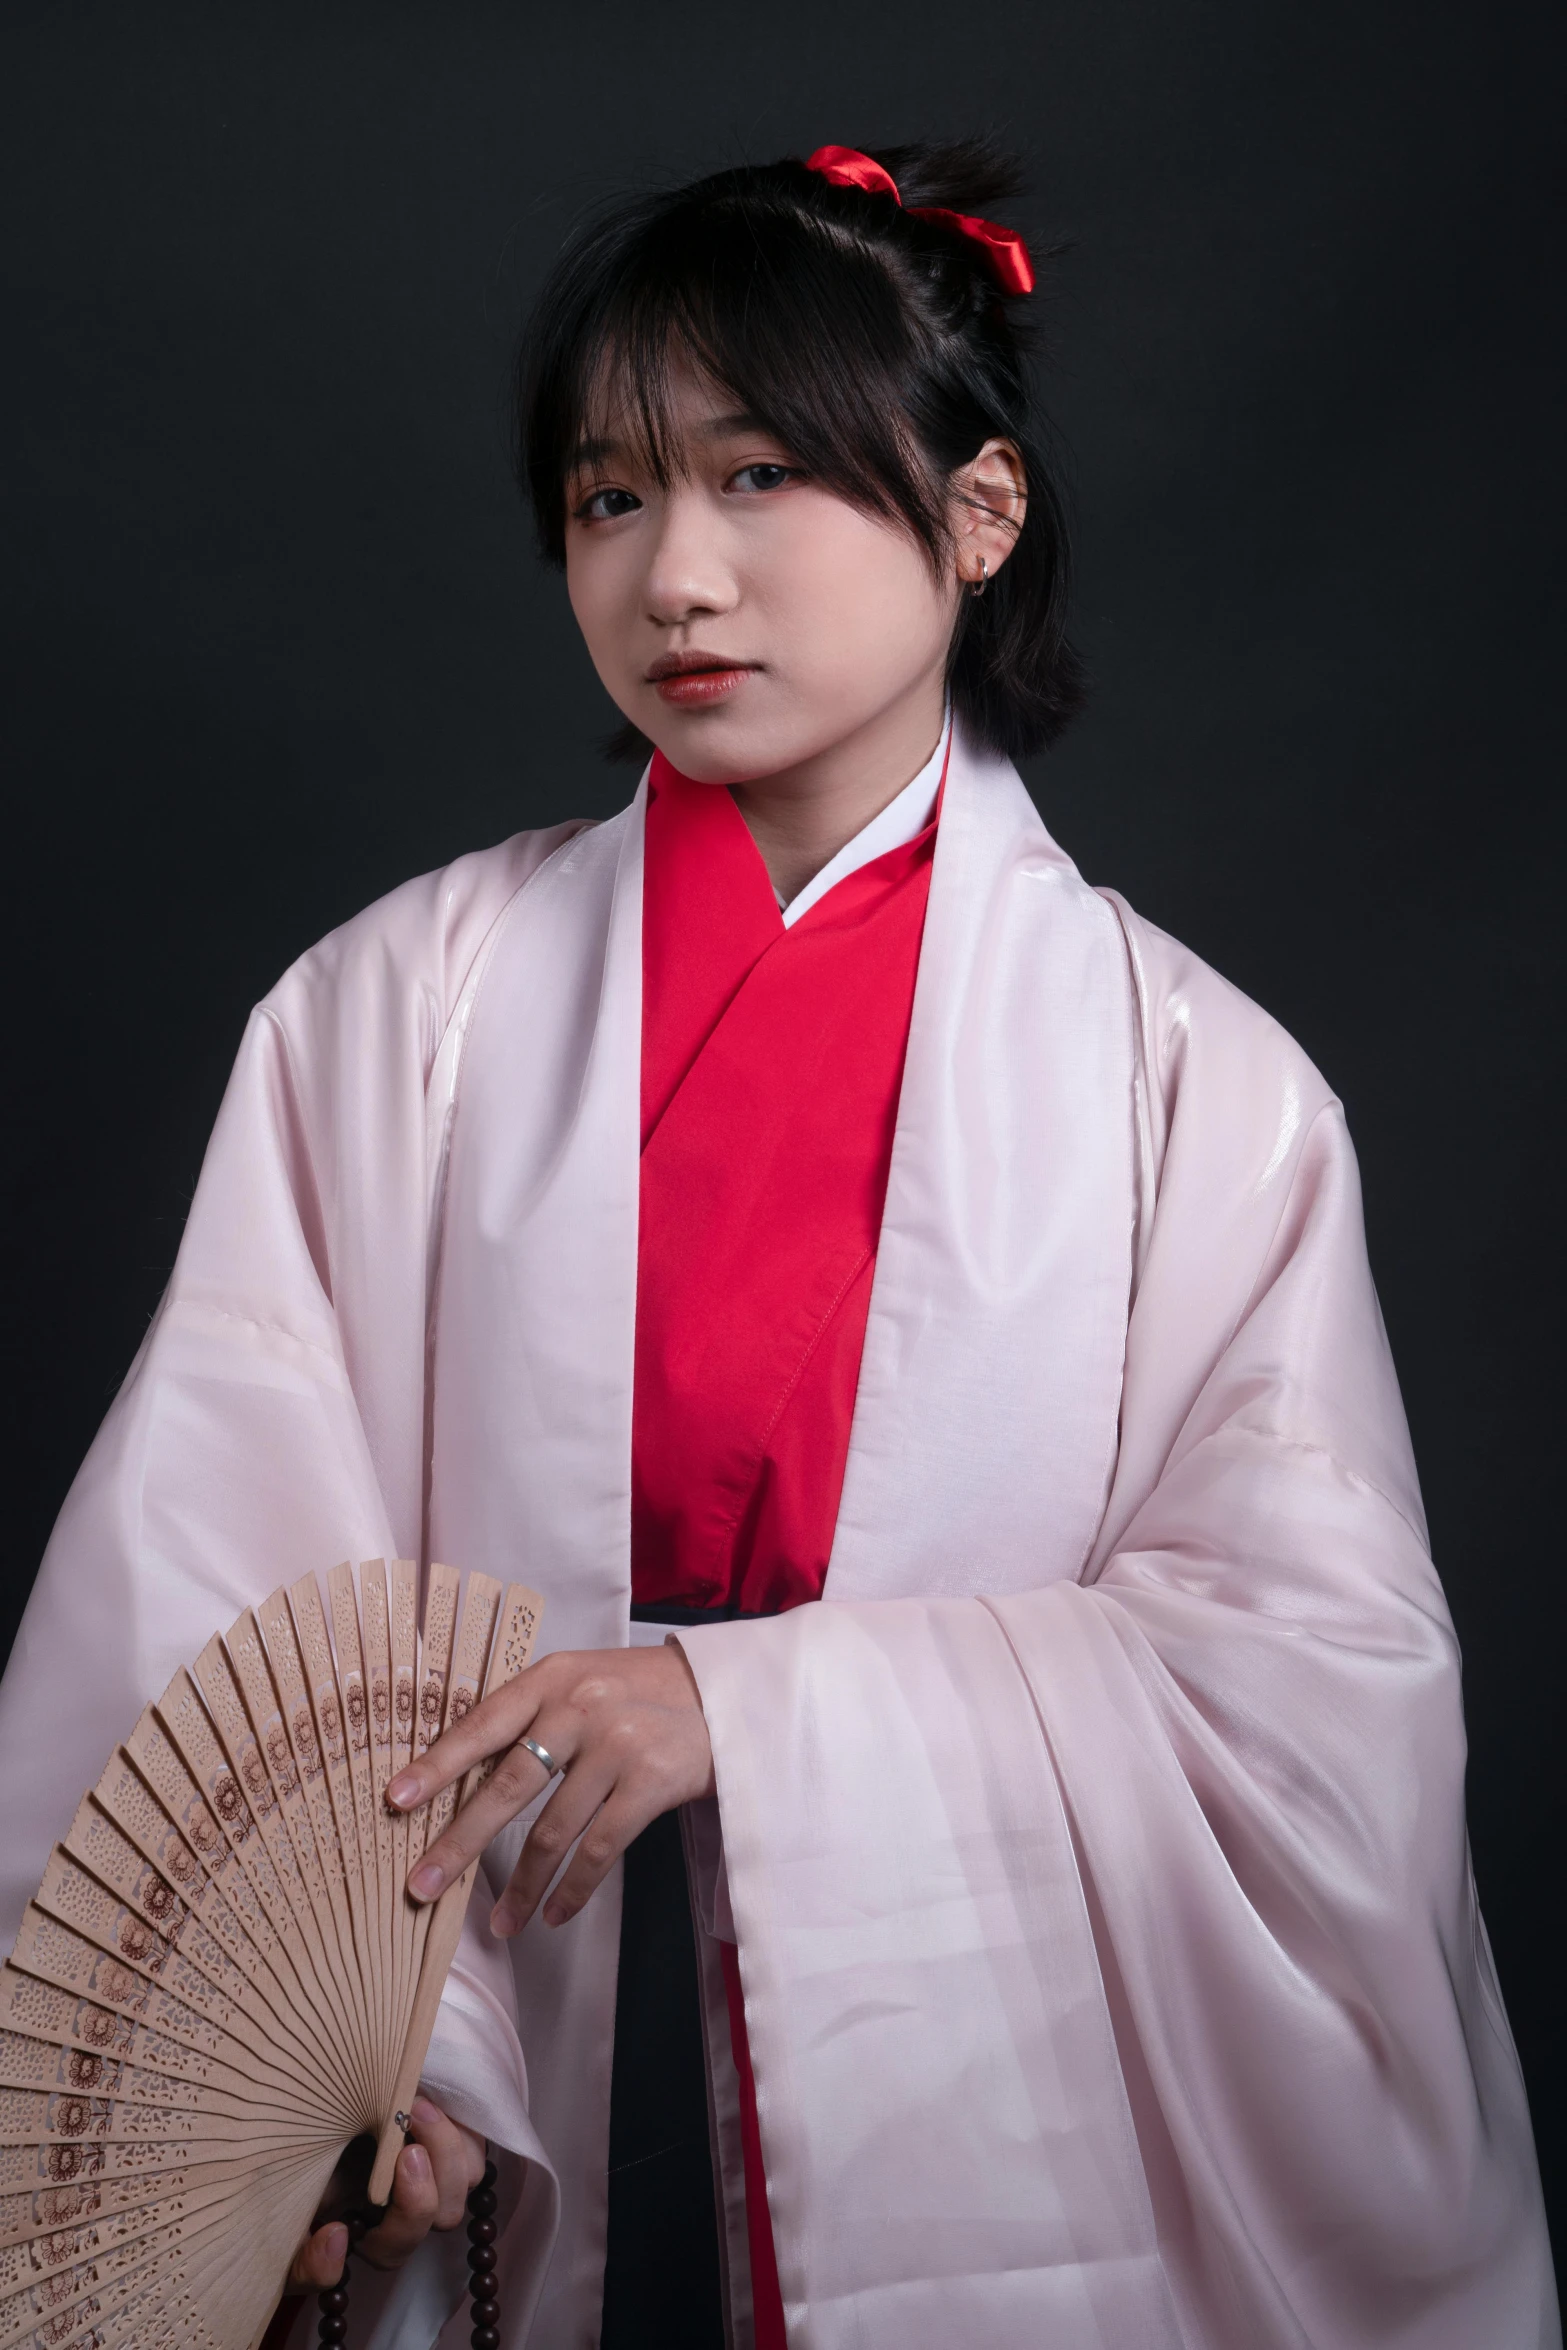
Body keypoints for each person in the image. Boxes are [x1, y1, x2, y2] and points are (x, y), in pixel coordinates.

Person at [0, 139, 1555, 2350]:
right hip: (510, 1976)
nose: (676, 578)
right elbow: (226, 1564)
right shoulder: (395, 1014)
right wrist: (379, 2049)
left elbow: (1310, 1696)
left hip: (972, 2005)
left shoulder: (1193, 1080)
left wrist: (760, 1710)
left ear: (978, 513)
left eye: (759, 476)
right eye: (612, 495)